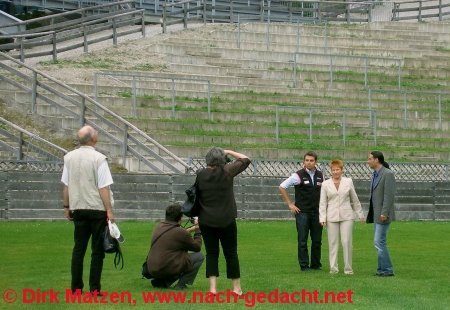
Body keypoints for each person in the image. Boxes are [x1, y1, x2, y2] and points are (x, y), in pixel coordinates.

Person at [62, 125, 115, 293]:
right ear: (93, 139)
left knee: (79, 249)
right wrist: (109, 210)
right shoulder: (99, 159)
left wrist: (66, 206)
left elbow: (66, 185)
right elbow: (103, 187)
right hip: (97, 208)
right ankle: (94, 288)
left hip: (78, 207)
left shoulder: (69, 157)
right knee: (97, 251)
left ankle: (76, 288)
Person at [196, 148, 251, 295]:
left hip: (206, 220)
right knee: (231, 253)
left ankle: (213, 289)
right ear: (222, 159)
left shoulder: (200, 174)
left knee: (211, 254)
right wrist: (230, 151)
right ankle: (236, 288)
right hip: (226, 220)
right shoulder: (227, 171)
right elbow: (246, 159)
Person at [279, 151, 324, 271]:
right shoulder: (297, 175)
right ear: (303, 161)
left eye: (311, 160)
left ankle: (316, 265)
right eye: (307, 160)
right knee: (303, 240)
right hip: (302, 213)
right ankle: (304, 266)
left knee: (317, 240)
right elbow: (282, 186)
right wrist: (290, 204)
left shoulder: (321, 175)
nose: (309, 162)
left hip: (317, 213)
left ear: (316, 162)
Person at [319, 159, 365, 275]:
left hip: (347, 216)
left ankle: (348, 269)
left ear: (342, 170)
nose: (335, 172)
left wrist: (360, 214)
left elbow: (354, 199)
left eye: (337, 169)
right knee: (333, 243)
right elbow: (323, 202)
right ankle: (333, 268)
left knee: (346, 242)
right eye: (333, 170)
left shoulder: (348, 182)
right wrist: (322, 218)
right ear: (330, 171)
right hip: (331, 216)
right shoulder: (325, 184)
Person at [147, 203, 204, 289]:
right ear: (180, 217)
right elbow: (197, 247)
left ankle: (163, 282)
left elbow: (175, 235)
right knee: (199, 256)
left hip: (152, 268)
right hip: (165, 268)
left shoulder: (159, 226)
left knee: (177, 258)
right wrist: (198, 231)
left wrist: (189, 230)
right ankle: (181, 285)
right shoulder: (180, 233)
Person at [367, 151, 396, 277]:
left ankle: (387, 269)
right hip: (376, 214)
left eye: (369, 159)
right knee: (379, 242)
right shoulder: (375, 174)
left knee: (379, 242)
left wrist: (384, 213)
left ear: (376, 160)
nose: (367, 161)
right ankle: (381, 269)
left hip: (383, 215)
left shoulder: (387, 174)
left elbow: (389, 196)